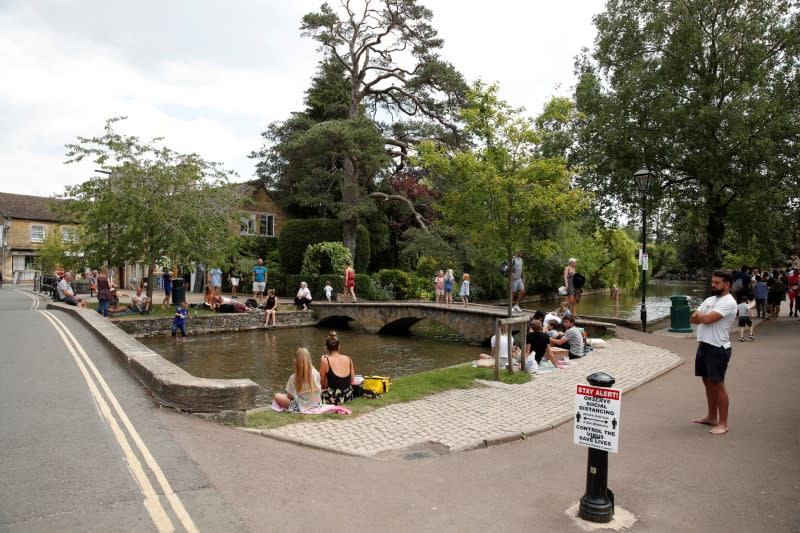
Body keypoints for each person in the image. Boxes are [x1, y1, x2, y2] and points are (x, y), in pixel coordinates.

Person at [690, 269, 737, 435]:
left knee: (718, 385)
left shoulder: (729, 302)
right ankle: (711, 417)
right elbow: (693, 318)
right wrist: (702, 315)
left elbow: (707, 319)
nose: (713, 285)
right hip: (703, 346)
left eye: (717, 283)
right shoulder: (710, 299)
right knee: (707, 384)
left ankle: (723, 423)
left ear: (727, 285)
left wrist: (702, 315)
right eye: (712, 282)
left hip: (718, 348)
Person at [274, 348, 322, 412]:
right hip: (316, 403)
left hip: (301, 406)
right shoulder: (316, 373)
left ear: (296, 361)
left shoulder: (293, 378)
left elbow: (289, 397)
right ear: (309, 360)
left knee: (277, 396)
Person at [319, 334, 355, 405]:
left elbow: (322, 383)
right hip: (348, 395)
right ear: (339, 346)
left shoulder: (325, 361)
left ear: (326, 347)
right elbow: (352, 379)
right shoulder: (348, 358)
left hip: (333, 398)